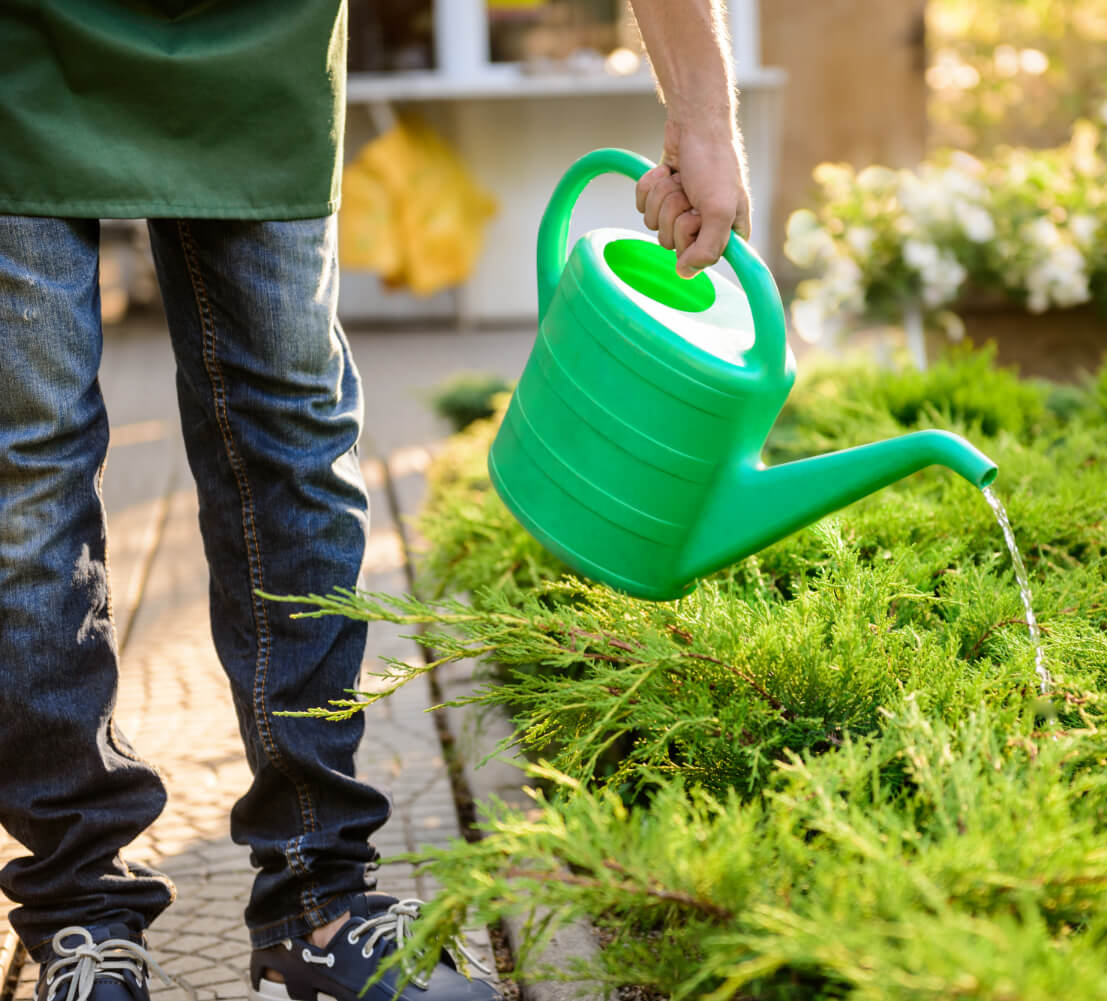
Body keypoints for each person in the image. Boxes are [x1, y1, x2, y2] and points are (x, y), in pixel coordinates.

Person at [0, 3, 750, 1000]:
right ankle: (80, 910)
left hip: (257, 38)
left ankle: (321, 895)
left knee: (294, 443)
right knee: (29, 464)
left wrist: (700, 111)